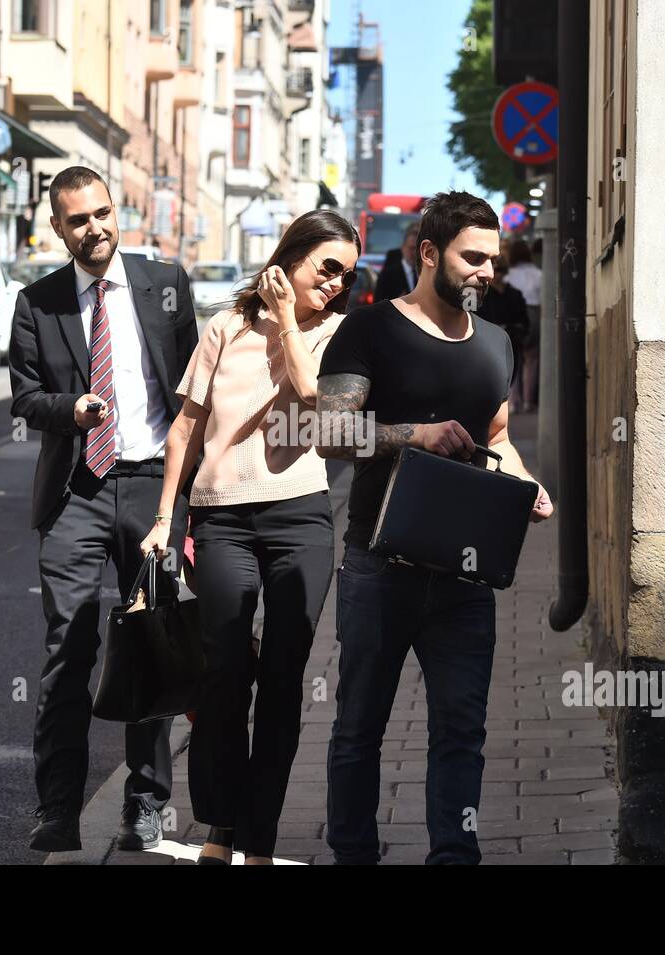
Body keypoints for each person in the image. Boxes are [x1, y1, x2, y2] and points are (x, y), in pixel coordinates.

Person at [316, 190, 554, 865]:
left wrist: (527, 481)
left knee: (461, 729)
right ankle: (354, 852)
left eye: (494, 260)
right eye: (473, 257)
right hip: (378, 565)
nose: (487, 271)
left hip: (467, 572)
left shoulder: (498, 342)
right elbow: (329, 433)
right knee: (359, 726)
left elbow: (499, 437)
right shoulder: (370, 329)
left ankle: (455, 853)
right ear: (428, 253)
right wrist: (416, 434)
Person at [139, 210, 360, 864]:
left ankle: (259, 838)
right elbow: (185, 425)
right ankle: (220, 825)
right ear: (291, 255)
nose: (335, 283)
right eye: (326, 267)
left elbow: (313, 397)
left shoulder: (341, 334)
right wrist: (162, 518)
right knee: (225, 671)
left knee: (285, 679)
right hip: (223, 516)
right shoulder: (226, 325)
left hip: (301, 516)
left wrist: (289, 316)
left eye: (345, 275)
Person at [9, 165, 198, 853]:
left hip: (151, 484)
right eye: (78, 219)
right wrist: (73, 409)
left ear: (117, 213)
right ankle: (56, 807)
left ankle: (145, 805)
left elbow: (191, 390)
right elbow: (26, 399)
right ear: (58, 228)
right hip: (77, 493)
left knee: (150, 639)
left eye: (102, 213)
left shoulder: (165, 285)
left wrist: (186, 502)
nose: (95, 228)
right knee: (71, 644)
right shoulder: (39, 302)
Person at [477, 257, 529, 410]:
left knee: (511, 375)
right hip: (488, 343)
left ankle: (509, 403)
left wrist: (516, 330)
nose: (496, 274)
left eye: (499, 270)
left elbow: (523, 320)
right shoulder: (482, 296)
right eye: (494, 270)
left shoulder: (514, 294)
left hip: (511, 341)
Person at [504, 238, 542, 412]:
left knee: (513, 361)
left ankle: (513, 402)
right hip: (534, 314)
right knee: (532, 359)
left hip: (514, 317)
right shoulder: (538, 273)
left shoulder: (508, 275)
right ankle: (528, 401)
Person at [372, 222, 419, 302]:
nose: (414, 253)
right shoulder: (388, 274)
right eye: (411, 248)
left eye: (417, 249)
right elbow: (378, 302)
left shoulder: (425, 273)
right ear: (403, 248)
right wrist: (396, 303)